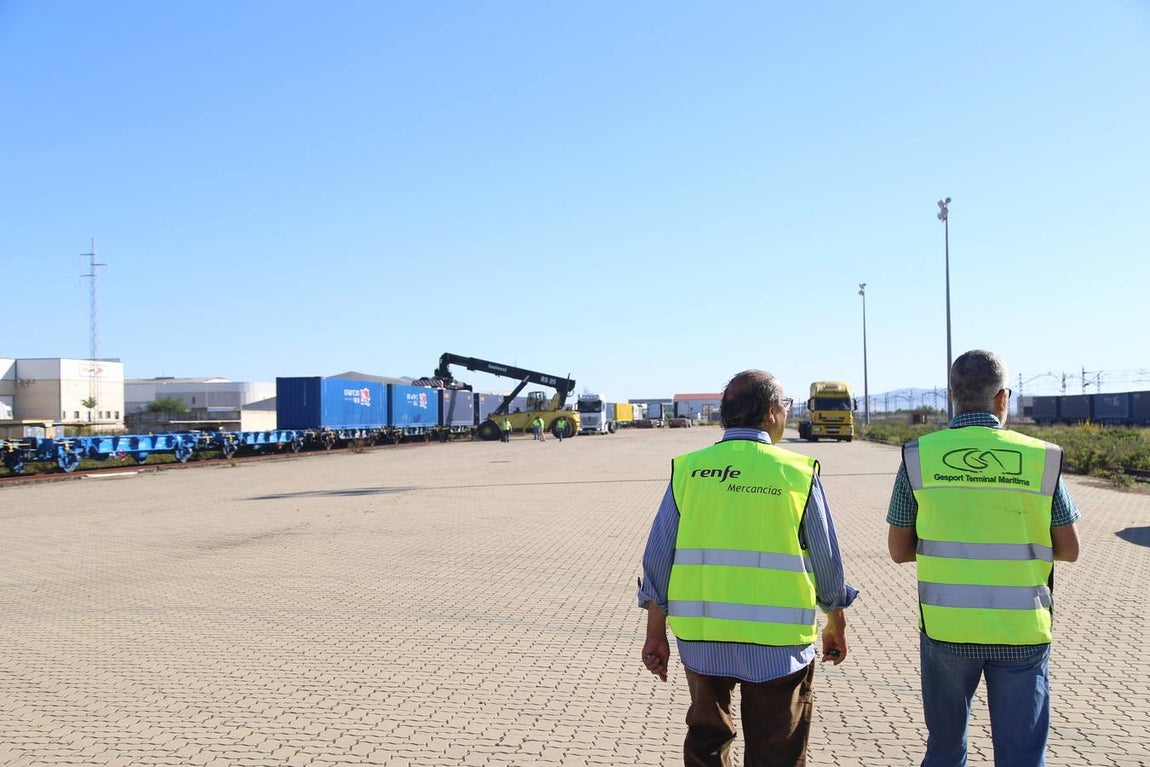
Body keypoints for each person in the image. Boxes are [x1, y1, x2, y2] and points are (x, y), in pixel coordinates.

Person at [638, 369, 856, 767]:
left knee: (707, 741)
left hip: (702, 639)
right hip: (779, 645)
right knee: (777, 750)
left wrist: (656, 634)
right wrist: (835, 621)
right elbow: (827, 560)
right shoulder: (798, 472)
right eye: (785, 405)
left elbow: (658, 558)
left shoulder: (690, 469)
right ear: (771, 412)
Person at [886, 349, 1081, 767]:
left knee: (945, 750)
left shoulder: (918, 456)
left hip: (947, 628)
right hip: (1022, 630)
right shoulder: (1041, 457)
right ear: (1003, 398)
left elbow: (898, 550)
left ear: (951, 396)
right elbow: (1070, 549)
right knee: (1022, 755)